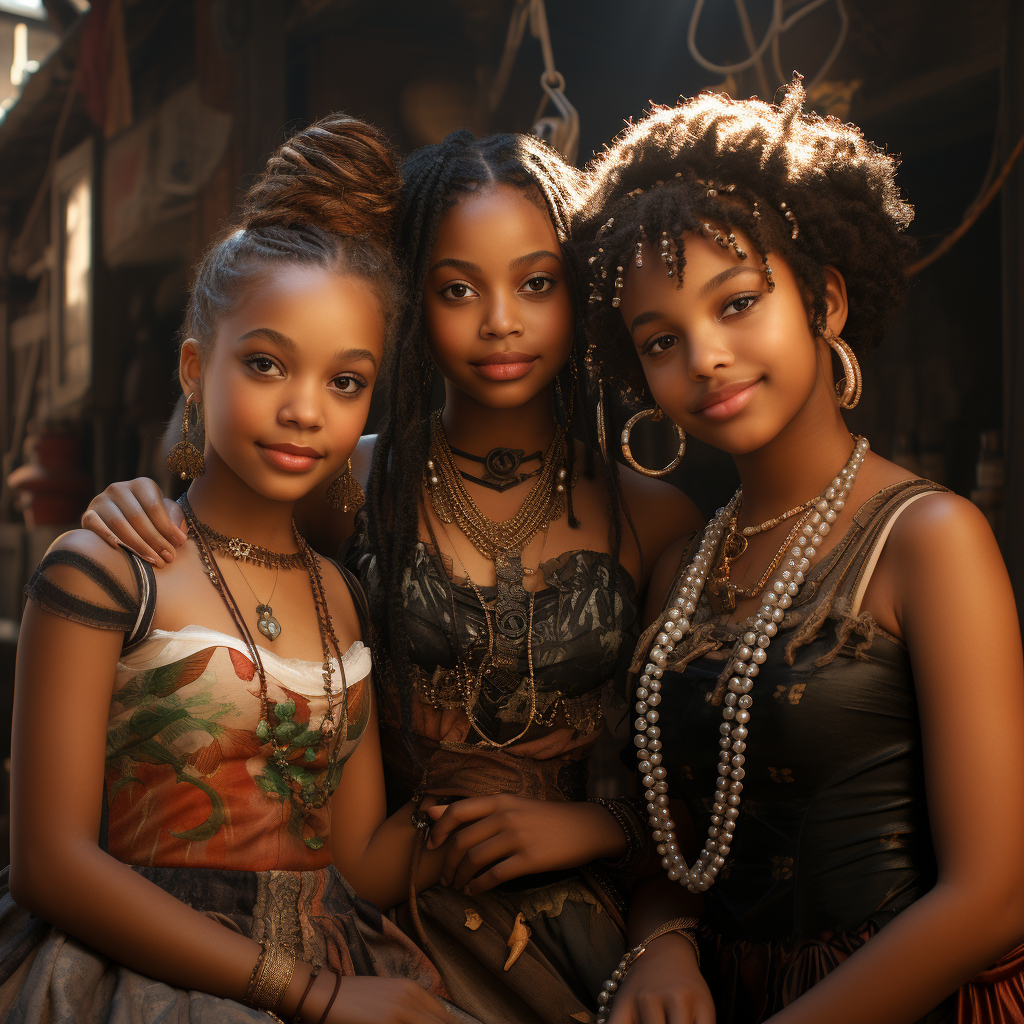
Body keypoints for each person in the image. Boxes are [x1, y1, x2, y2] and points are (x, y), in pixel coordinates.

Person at [80, 128, 704, 1024]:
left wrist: (607, 838)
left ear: (580, 290)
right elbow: (213, 537)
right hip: (379, 914)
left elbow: (706, 776)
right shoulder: (339, 481)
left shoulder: (656, 515)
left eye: (536, 283)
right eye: (458, 289)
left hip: (592, 922)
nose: (501, 320)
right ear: (411, 297)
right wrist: (127, 509)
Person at [572, 79, 1024, 1024]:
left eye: (736, 303)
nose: (704, 356)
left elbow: (994, 898)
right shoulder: (688, 558)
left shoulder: (930, 539)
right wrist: (662, 942)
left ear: (823, 299)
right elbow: (682, 842)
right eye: (662, 339)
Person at [1, 114, 466, 1024]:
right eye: (265, 364)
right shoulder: (110, 570)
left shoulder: (340, 596)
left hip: (333, 962)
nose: (304, 410)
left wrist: (507, 800)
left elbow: (360, 855)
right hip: (139, 985)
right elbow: (49, 864)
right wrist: (317, 995)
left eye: (346, 381)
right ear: (193, 368)